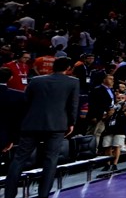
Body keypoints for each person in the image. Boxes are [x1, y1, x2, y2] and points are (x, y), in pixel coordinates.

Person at [4, 57, 79, 198]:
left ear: (53, 66)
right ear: (69, 68)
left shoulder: (36, 80)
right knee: (50, 161)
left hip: (31, 124)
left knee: (19, 159)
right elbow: (73, 105)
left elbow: (26, 101)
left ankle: (9, 195)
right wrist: (71, 123)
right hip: (56, 126)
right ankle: (43, 195)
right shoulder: (73, 82)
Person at [0, 67, 27, 155]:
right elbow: (18, 120)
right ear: (11, 78)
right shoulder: (18, 96)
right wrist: (12, 139)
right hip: (3, 136)